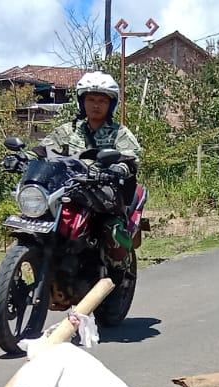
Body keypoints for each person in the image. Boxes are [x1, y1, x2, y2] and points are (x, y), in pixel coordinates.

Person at [41, 71, 142, 282]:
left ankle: (118, 274)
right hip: (70, 186)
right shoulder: (68, 130)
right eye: (91, 99)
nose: (96, 105)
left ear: (110, 104)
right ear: (82, 102)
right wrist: (23, 158)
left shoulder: (119, 133)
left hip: (103, 190)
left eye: (102, 100)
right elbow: (44, 149)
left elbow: (132, 157)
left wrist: (119, 168)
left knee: (111, 229)